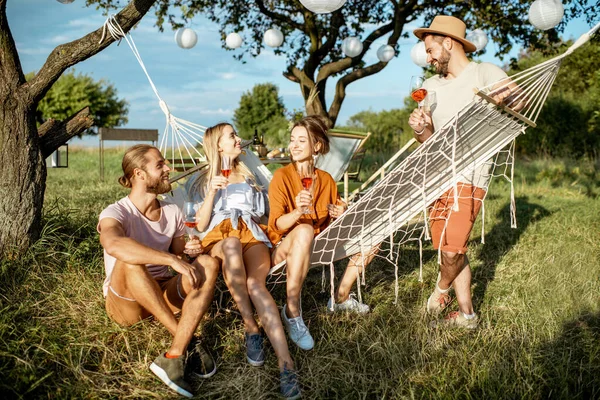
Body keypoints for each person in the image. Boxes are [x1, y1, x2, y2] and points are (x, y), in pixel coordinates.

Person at [408, 16, 518, 329]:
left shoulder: (484, 71)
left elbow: (519, 102)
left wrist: (506, 99)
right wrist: (419, 129)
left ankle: (441, 289)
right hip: (437, 175)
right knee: (445, 246)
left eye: (430, 49)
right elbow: (426, 142)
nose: (427, 57)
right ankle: (468, 315)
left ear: (448, 42)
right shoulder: (429, 87)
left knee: (453, 249)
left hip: (471, 175)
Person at [98, 144, 220, 398]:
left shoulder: (172, 211)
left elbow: (180, 255)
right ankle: (189, 339)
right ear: (139, 174)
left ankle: (173, 354)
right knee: (130, 260)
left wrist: (189, 252)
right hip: (127, 305)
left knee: (208, 264)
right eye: (160, 165)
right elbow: (113, 244)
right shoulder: (116, 212)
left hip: (162, 292)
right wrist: (170, 260)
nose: (169, 169)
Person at [190, 123, 300, 400]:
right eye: (232, 136)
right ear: (218, 145)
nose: (239, 139)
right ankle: (251, 326)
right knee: (230, 245)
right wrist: (213, 190)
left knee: (256, 284)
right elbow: (200, 223)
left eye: (236, 135)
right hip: (220, 234)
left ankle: (286, 364)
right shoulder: (202, 180)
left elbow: (266, 217)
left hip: (251, 231)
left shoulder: (251, 176)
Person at [268, 115, 373, 351]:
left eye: (301, 141)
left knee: (371, 235)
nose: (293, 145)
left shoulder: (326, 180)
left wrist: (341, 211)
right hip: (285, 248)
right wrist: (297, 212)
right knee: (303, 228)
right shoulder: (281, 177)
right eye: (292, 140)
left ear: (316, 146)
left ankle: (341, 297)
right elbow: (276, 225)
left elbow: (332, 216)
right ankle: (292, 311)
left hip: (317, 245)